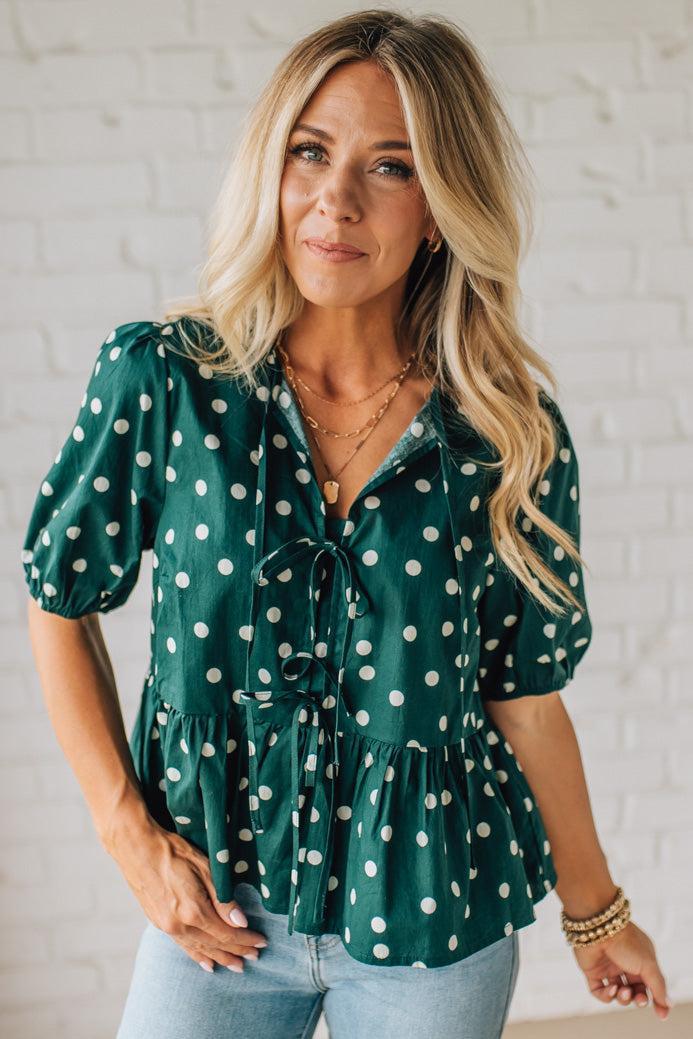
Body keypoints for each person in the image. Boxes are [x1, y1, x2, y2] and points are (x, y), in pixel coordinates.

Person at [21, 9, 672, 1039]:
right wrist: (127, 834)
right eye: (310, 152)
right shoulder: (166, 381)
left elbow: (527, 698)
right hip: (218, 919)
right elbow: (59, 597)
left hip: (434, 931)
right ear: (270, 166)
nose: (335, 200)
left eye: (391, 167)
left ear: (442, 206)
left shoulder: (504, 434)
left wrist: (599, 915)